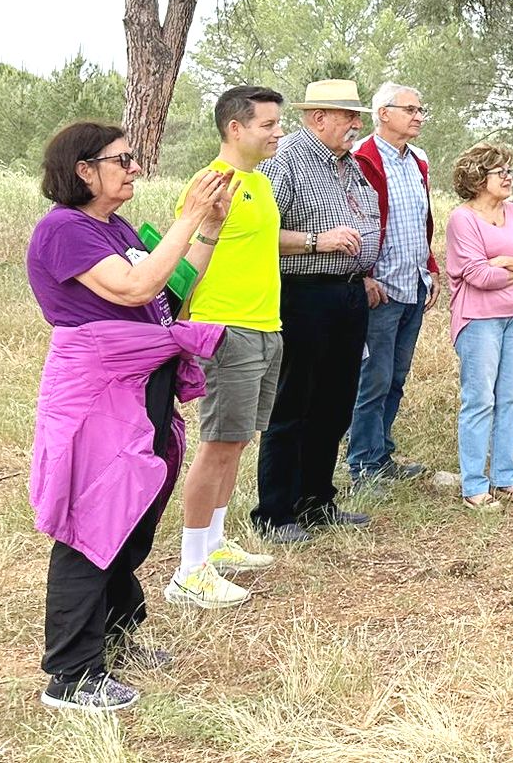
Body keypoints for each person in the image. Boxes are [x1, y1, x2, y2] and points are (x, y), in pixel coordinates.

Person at [27, 122, 234, 711]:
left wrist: (208, 230)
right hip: (99, 392)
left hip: (142, 382)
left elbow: (171, 290)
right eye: (122, 159)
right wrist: (187, 217)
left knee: (132, 516)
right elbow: (134, 287)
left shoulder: (114, 227)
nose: (135, 167)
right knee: (92, 522)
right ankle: (72, 675)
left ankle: (115, 635)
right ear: (83, 170)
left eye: (132, 157)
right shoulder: (63, 229)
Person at [169, 85, 286, 612]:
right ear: (235, 128)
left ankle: (213, 543)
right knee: (217, 444)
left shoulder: (259, 183)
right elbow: (183, 259)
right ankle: (189, 569)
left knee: (237, 441)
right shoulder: (210, 183)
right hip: (226, 331)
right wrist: (182, 327)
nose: (278, 132)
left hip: (265, 326)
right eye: (268, 124)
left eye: (278, 123)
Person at [253, 79, 383, 540]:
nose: (356, 125)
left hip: (348, 293)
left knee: (335, 403)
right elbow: (257, 234)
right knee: (292, 403)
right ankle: (275, 513)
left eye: (357, 117)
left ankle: (316, 501)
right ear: (318, 117)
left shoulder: (350, 165)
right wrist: (315, 241)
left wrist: (364, 273)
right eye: (348, 116)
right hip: (302, 293)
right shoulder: (285, 160)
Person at [445, 142, 513, 511]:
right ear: (477, 177)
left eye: (509, 170)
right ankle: (474, 486)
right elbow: (477, 275)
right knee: (479, 400)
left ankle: (505, 479)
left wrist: (506, 262)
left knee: (512, 399)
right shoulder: (462, 219)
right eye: (499, 171)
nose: (508, 177)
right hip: (479, 321)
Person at [346, 81, 439, 489]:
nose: (419, 117)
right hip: (380, 288)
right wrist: (363, 275)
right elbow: (350, 220)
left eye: (420, 110)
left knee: (396, 376)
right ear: (384, 113)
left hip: (412, 283)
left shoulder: (417, 160)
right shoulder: (359, 158)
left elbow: (421, 220)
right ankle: (362, 464)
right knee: (373, 378)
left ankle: (381, 453)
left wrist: (431, 267)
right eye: (411, 110)